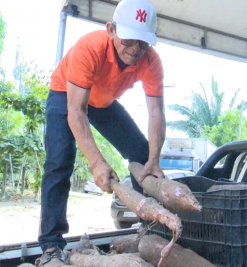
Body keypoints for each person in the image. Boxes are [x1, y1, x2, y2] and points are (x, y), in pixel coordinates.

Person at [37, 0, 165, 265]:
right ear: (111, 29)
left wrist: (154, 159)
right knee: (59, 162)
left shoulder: (151, 61)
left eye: (143, 42)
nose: (135, 49)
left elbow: (156, 113)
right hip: (67, 96)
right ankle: (51, 246)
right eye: (129, 39)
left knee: (142, 154)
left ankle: (149, 229)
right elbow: (76, 112)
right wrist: (97, 163)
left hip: (103, 102)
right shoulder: (90, 48)